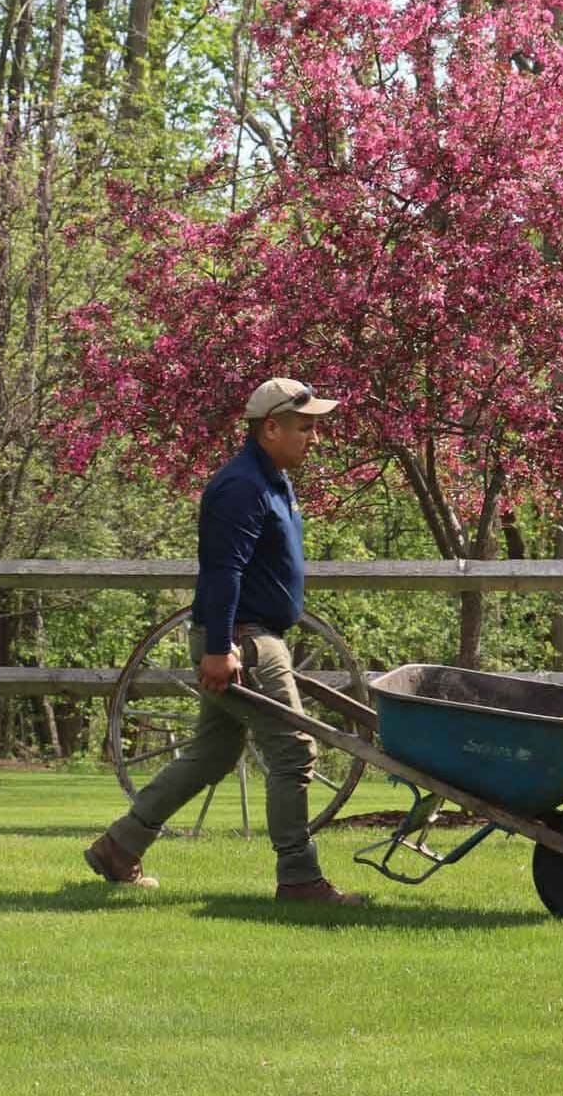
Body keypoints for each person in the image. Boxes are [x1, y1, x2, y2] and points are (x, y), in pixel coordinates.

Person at [84, 379, 367, 905]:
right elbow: (222, 572)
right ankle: (300, 880)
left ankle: (119, 847)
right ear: (270, 428)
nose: (315, 437)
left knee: (213, 754)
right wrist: (220, 648)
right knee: (293, 752)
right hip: (245, 641)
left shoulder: (273, 480)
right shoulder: (241, 486)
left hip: (252, 635)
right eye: (305, 427)